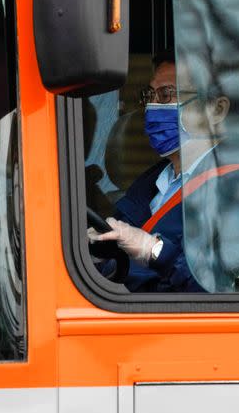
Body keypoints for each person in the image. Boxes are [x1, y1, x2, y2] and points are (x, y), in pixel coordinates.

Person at [88, 51, 230, 292]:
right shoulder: (150, 185)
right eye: (149, 96)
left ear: (216, 110)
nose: (151, 108)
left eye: (165, 95)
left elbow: (221, 293)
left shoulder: (236, 189)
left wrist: (153, 250)